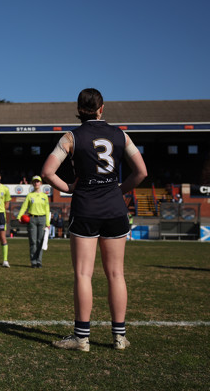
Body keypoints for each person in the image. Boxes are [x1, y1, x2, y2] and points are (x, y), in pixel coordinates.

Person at [41, 88, 147, 352]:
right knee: (116, 274)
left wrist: (67, 187)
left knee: (83, 274)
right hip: (114, 209)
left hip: (85, 207)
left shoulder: (71, 137)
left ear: (78, 108)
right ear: (102, 108)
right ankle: (119, 337)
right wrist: (118, 190)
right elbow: (142, 172)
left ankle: (81, 338)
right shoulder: (121, 134)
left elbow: (47, 172)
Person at [17, 175, 50, 268]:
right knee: (33, 241)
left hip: (42, 219)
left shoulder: (44, 196)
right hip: (32, 219)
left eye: (38, 181)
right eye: (35, 182)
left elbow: (47, 210)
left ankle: (39, 261)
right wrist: (19, 216)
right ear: (32, 183)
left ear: (41, 183)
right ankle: (33, 261)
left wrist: (47, 222)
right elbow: (24, 206)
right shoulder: (29, 195)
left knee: (40, 241)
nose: (36, 183)